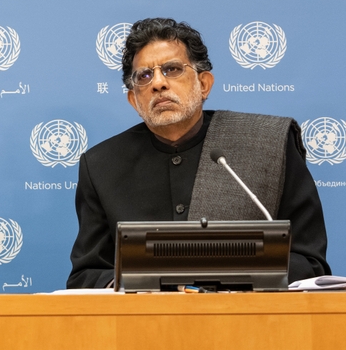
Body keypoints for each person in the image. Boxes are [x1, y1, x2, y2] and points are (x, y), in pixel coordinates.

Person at [68, 17, 329, 288]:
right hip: (146, 326)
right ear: (134, 99)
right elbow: (86, 276)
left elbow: (309, 263)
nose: (158, 83)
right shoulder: (101, 166)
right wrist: (136, 287)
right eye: (144, 76)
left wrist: (235, 280)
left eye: (171, 69)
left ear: (204, 84)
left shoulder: (270, 144)